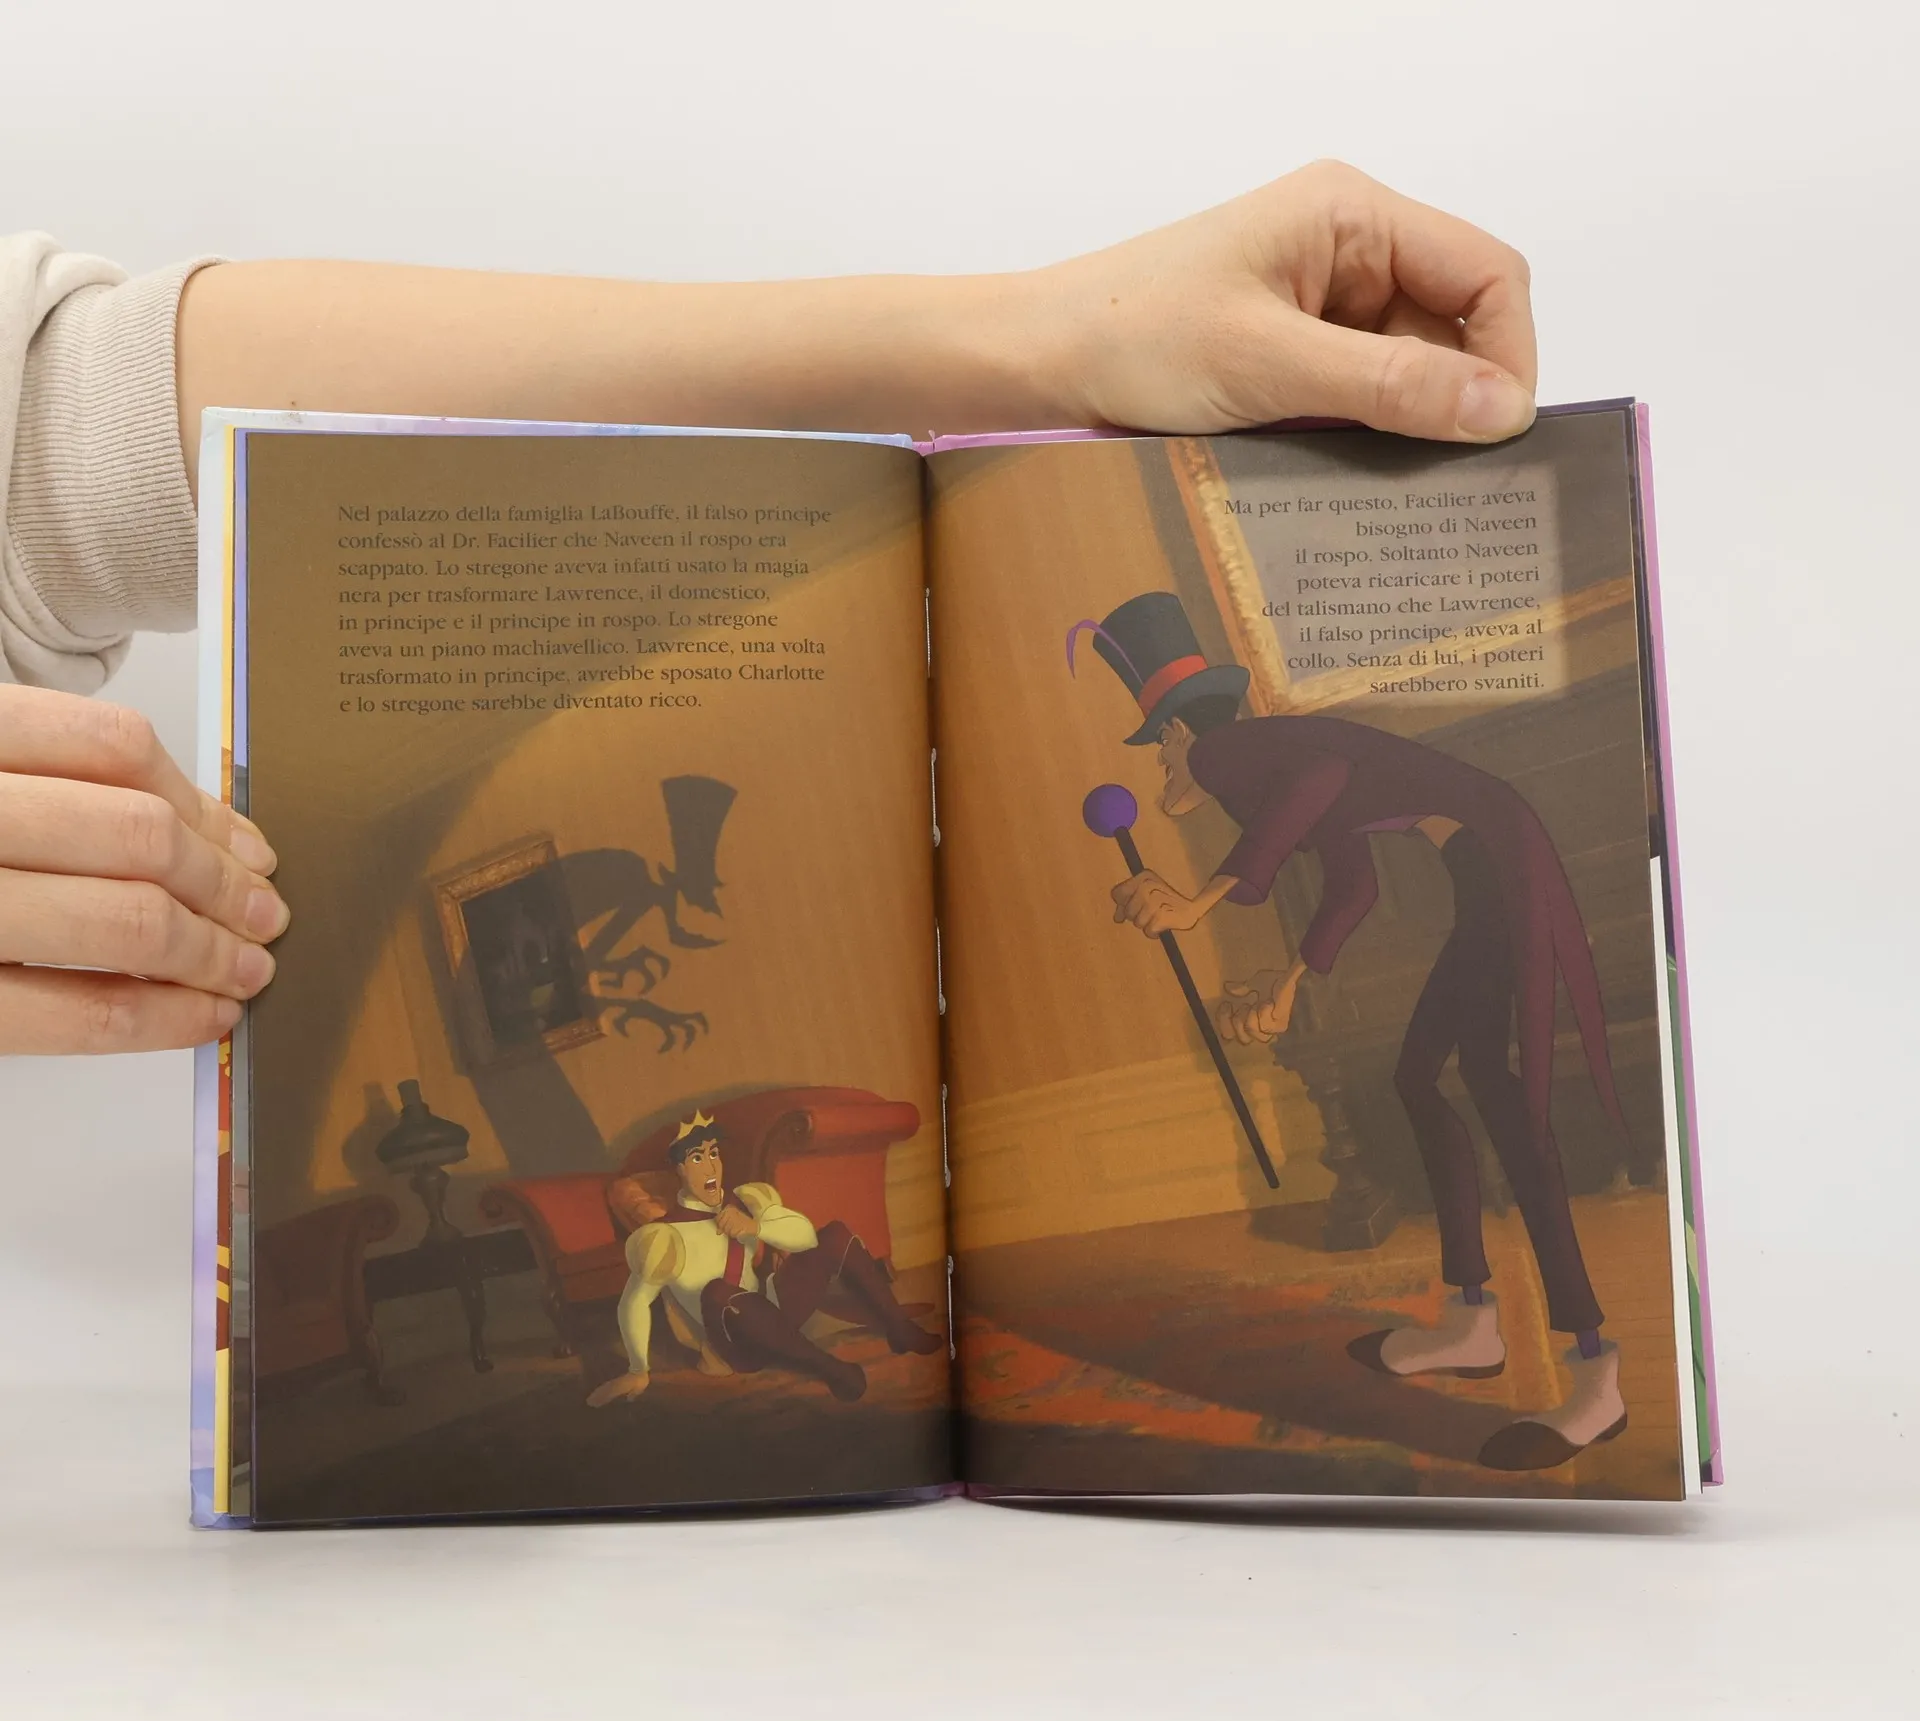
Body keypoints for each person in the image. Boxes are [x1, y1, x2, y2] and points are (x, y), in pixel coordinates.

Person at [0, 159, 1538, 1057]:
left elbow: (69, 433)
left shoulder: (1245, 763)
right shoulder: (1249, 765)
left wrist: (1046, 337)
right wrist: (1274, 953)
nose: (1163, 770)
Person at [1085, 590, 1628, 1472]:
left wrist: (1198, 902)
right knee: (1421, 1080)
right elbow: (1355, 886)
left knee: (1506, 1102)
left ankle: (1596, 1372)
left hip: (1501, 864)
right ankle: (1471, 1323)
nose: (1165, 770)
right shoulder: (1271, 760)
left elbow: (1322, 783)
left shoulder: (1227, 753)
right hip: (1487, 870)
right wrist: (1290, 984)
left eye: (1161, 750)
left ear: (1181, 733)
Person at [587, 1113, 941, 1408]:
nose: (711, 1166)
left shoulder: (745, 1199)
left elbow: (805, 1238)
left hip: (773, 1313)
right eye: (697, 1158)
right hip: (735, 1346)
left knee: (834, 1234)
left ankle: (900, 1329)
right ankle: (831, 1368)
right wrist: (638, 1368)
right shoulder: (664, 1234)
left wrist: (756, 1226)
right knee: (718, 1291)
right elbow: (635, 1300)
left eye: (714, 1153)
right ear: (679, 1169)